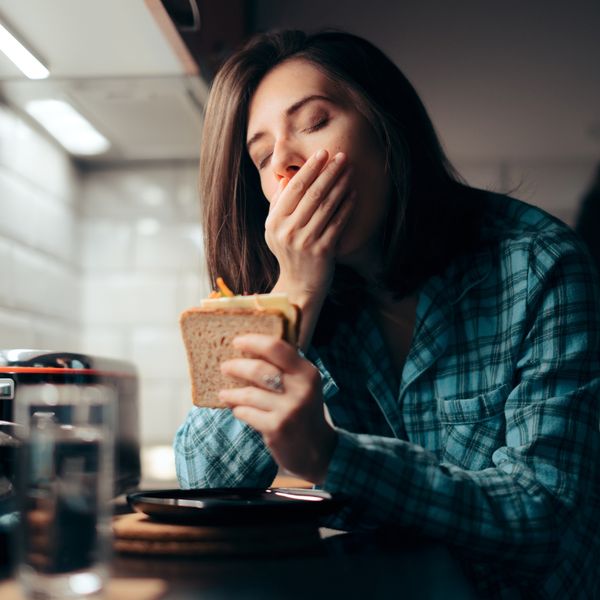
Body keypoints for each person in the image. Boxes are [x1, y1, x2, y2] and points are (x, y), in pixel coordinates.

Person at [174, 29, 600, 598]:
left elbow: (543, 515)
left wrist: (332, 456)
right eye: (262, 156)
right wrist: (295, 292)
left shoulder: (538, 264)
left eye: (315, 121)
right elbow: (203, 483)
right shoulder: (279, 294)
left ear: (385, 130)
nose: (287, 164)